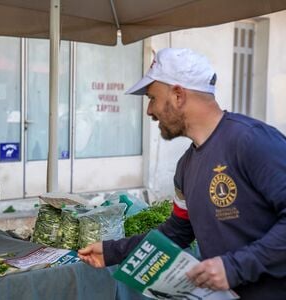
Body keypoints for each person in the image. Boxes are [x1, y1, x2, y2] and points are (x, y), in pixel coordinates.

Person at [78, 48, 286, 299]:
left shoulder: (251, 141)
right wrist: (113, 251)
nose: (149, 111)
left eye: (152, 98)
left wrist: (234, 267)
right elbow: (177, 231)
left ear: (178, 95)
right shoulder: (186, 167)